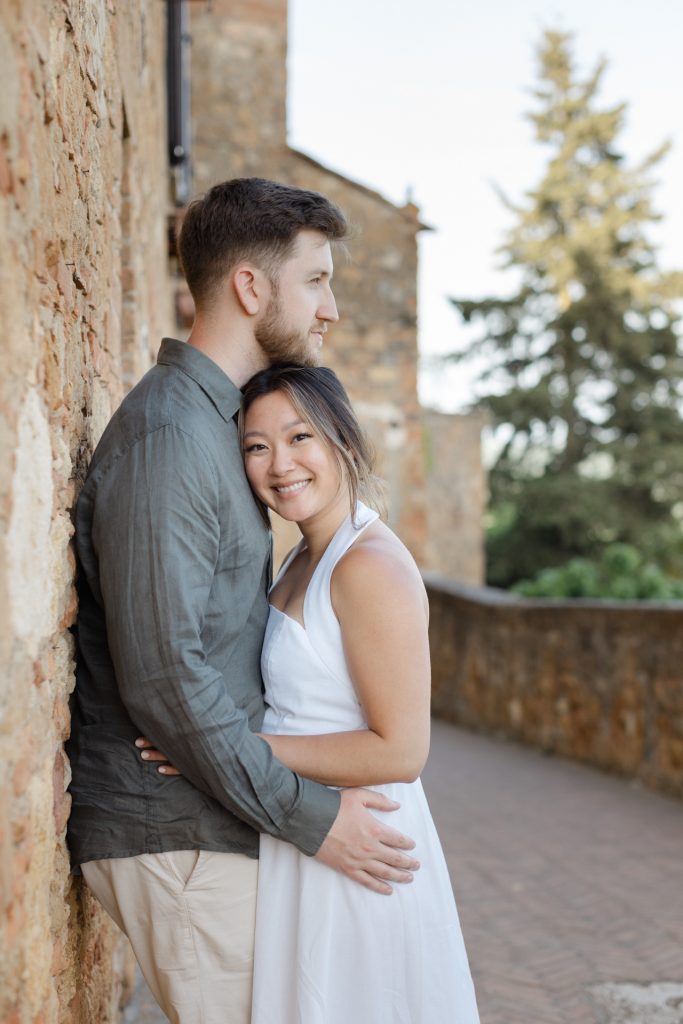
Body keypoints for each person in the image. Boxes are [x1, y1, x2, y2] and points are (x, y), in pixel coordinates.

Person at [66, 178, 419, 1024]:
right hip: (173, 834)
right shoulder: (170, 440)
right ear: (251, 288)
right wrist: (313, 819)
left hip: (211, 824)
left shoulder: (217, 427)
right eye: (317, 279)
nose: (330, 307)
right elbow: (163, 676)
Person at [142, 364, 480, 1022]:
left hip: (363, 841)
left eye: (300, 438)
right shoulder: (301, 555)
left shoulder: (369, 566)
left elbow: (400, 751)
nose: (279, 464)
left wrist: (228, 749)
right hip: (309, 830)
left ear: (342, 442)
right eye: (256, 446)